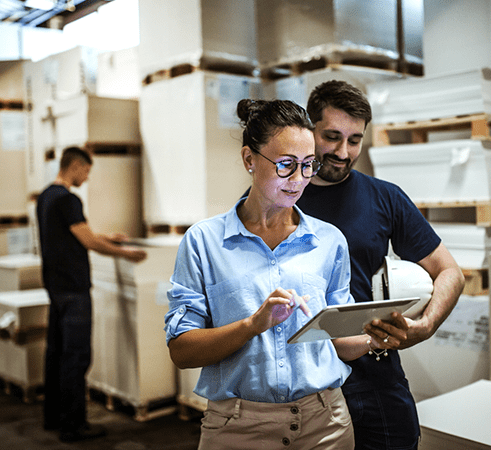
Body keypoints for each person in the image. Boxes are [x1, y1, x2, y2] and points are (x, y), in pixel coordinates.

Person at [165, 99, 392, 450]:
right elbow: (182, 352)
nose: (299, 179)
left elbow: (337, 341)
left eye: (307, 165)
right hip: (237, 429)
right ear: (249, 160)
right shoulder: (204, 242)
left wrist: (377, 337)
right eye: (286, 165)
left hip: (325, 424)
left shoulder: (329, 241)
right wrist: (252, 324)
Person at [294, 80, 466, 450]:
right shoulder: (277, 197)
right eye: (332, 136)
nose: (343, 151)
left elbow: (449, 271)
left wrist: (426, 325)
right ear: (309, 130)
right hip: (301, 379)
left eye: (354, 140)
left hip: (374, 376)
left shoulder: (383, 197)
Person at [36, 146, 147, 443]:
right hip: (74, 289)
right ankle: (74, 426)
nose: (86, 176)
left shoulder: (47, 196)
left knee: (56, 354)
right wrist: (124, 253)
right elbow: (87, 241)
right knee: (77, 357)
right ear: (75, 166)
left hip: (56, 288)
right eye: (86, 170)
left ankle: (53, 417)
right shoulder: (69, 199)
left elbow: (73, 233)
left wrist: (106, 236)